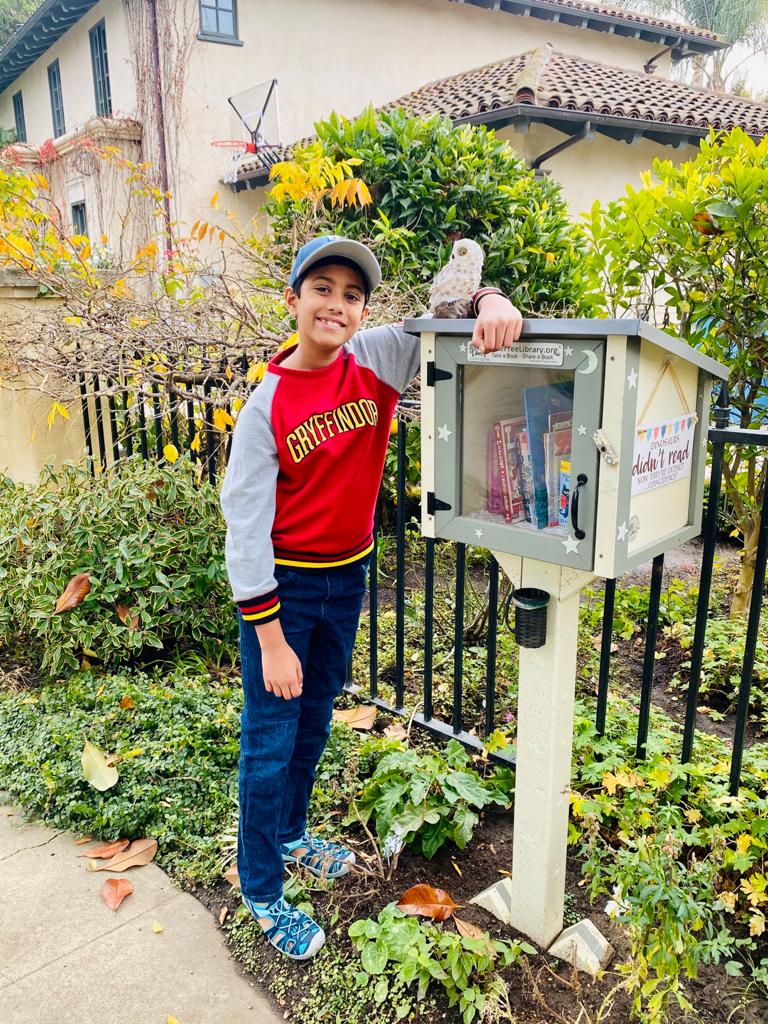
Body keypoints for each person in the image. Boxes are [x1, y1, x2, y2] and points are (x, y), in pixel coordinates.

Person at [220, 235, 523, 960]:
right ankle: (261, 887)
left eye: (352, 294)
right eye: (321, 289)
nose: (337, 304)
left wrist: (489, 298)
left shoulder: (378, 357)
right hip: (285, 590)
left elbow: (447, 311)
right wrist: (269, 639)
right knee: (270, 738)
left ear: (363, 310)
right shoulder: (268, 405)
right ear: (293, 299)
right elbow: (245, 528)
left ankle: (291, 834)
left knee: (314, 719)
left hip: (347, 576)